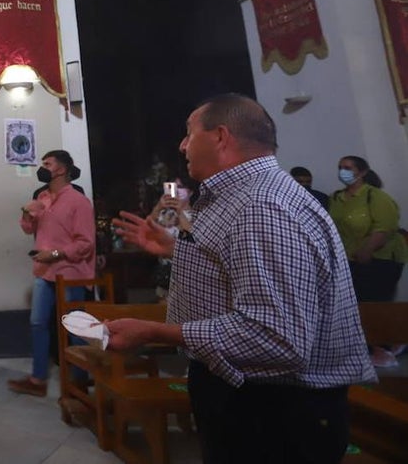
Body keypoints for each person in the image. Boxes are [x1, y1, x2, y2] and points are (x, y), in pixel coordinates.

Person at [109, 94, 375, 464]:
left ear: (220, 136)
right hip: (251, 396)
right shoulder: (241, 195)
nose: (182, 145)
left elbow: (274, 336)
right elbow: (232, 263)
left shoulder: (262, 206)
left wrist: (156, 332)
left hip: (274, 411)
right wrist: (175, 248)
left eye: (189, 133)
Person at [8, 150, 96, 397]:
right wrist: (26, 213)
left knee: (75, 327)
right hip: (44, 271)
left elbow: (85, 243)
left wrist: (55, 254)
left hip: (71, 272)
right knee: (38, 323)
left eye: (48, 164)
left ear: (62, 169)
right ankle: (38, 380)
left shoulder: (78, 201)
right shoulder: (42, 197)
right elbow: (29, 229)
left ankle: (79, 384)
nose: (42, 167)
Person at [329, 155, 406, 367]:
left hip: (381, 260)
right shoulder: (337, 198)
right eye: (340, 167)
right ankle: (373, 346)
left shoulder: (376, 197)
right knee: (357, 304)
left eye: (348, 167)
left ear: (362, 172)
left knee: (376, 303)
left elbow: (385, 227)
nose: (343, 171)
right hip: (350, 260)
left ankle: (384, 348)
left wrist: (368, 250)